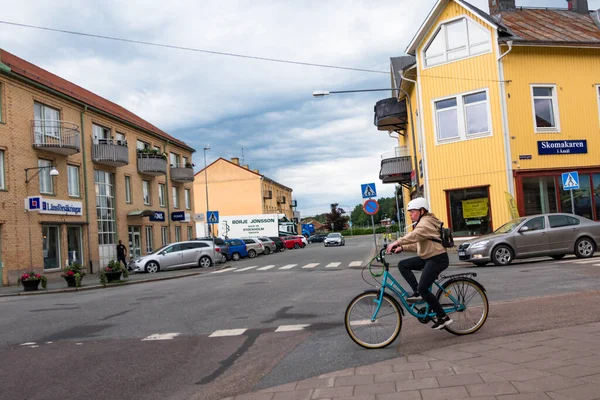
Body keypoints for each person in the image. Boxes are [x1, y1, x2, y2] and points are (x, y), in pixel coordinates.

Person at [386, 197, 452, 330]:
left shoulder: (425, 222)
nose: (410, 214)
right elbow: (418, 244)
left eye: (413, 212)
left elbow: (414, 236)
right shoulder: (422, 222)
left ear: (422, 211)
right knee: (403, 265)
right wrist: (402, 248)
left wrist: (397, 242)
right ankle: (417, 292)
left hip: (437, 258)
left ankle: (443, 317)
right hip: (428, 256)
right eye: (409, 212)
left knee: (424, 288)